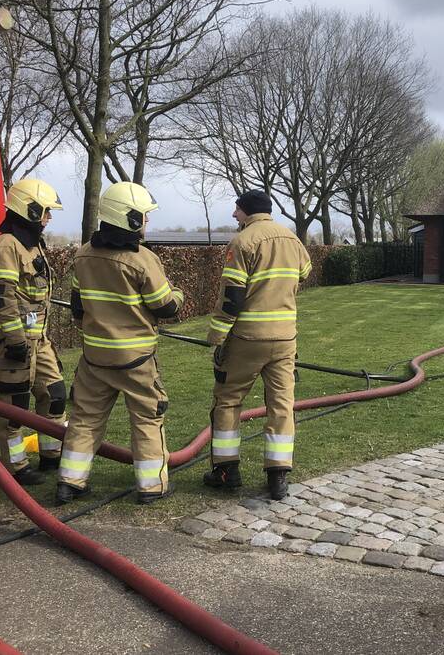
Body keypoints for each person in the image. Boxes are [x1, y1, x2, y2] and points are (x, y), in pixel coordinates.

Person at [56, 182, 184, 505]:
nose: (146, 223)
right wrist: (178, 294)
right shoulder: (143, 260)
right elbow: (165, 306)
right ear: (130, 219)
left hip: (94, 359)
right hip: (136, 360)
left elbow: (77, 307)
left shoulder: (83, 255)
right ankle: (151, 487)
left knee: (85, 417)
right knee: (147, 417)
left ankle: (69, 482)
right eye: (143, 216)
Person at [202, 190, 312, 500]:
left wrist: (217, 336)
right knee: (281, 405)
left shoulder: (242, 242)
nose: (234, 216)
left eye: (236, 210)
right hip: (285, 338)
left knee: (227, 399)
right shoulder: (292, 239)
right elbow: (304, 272)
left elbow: (232, 296)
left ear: (247, 211)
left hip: (247, 338)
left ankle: (226, 471)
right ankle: (278, 476)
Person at [0, 178, 67, 485]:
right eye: (46, 212)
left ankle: (51, 455)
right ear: (29, 210)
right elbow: (1, 296)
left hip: (39, 339)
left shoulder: (32, 243)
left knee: (55, 394)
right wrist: (15, 339)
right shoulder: (6, 246)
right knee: (14, 406)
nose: (49, 218)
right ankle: (15, 467)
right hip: (13, 343)